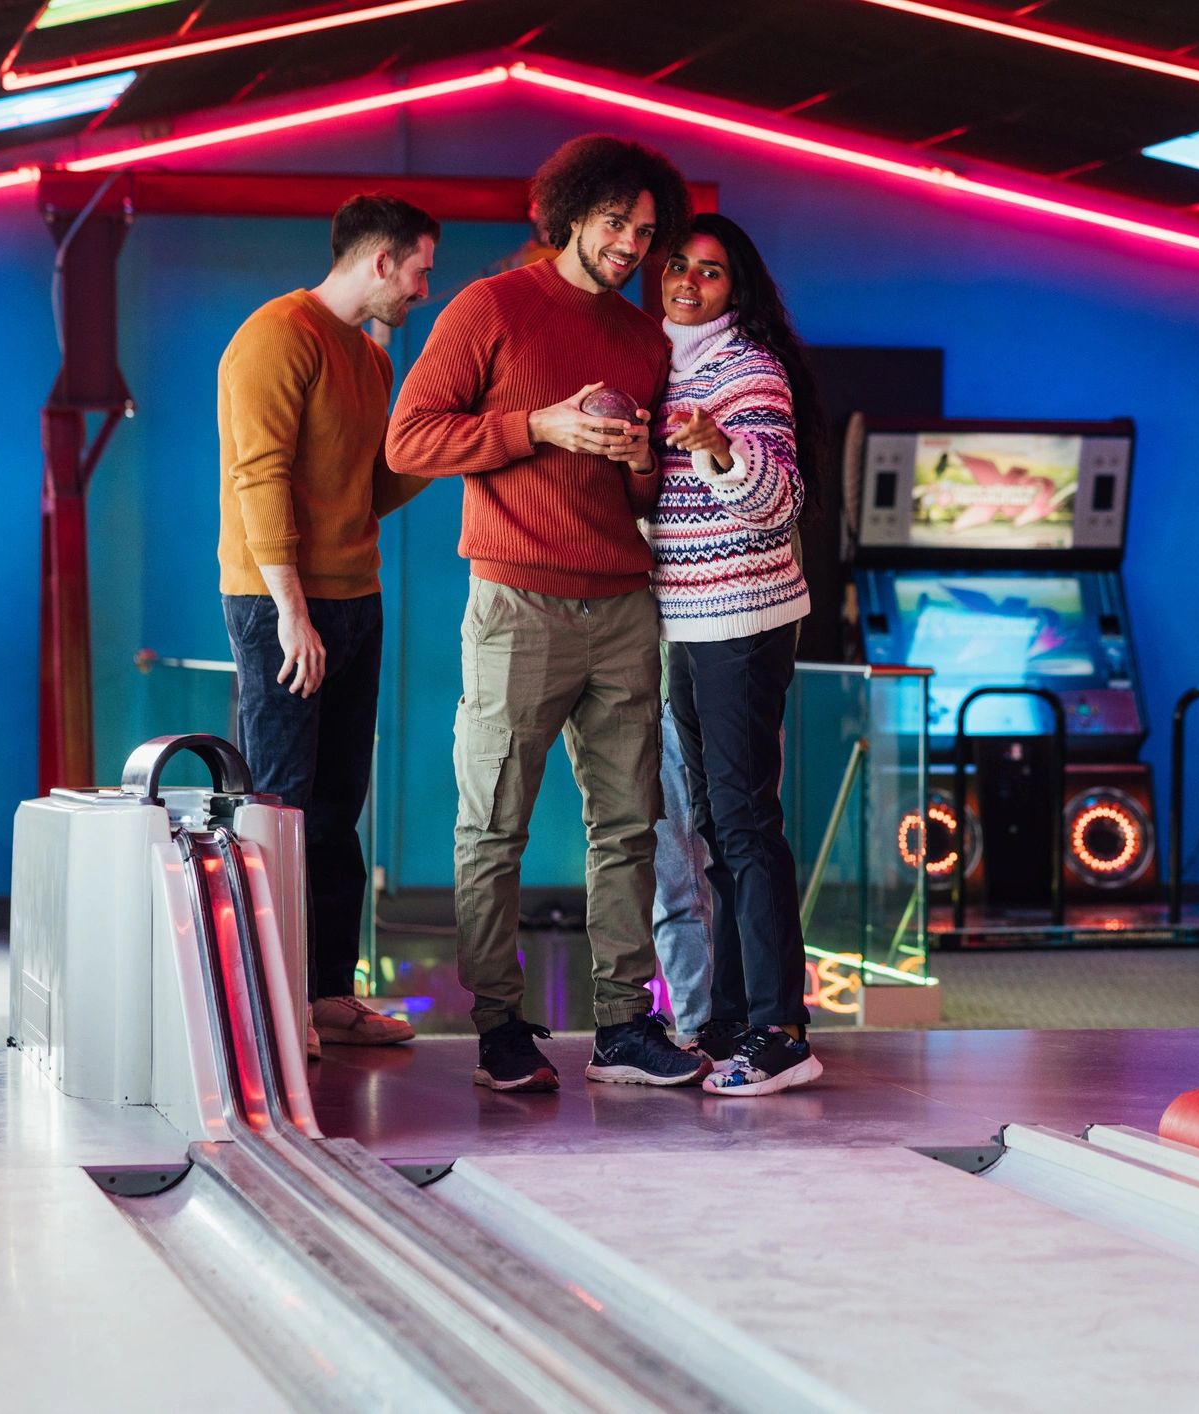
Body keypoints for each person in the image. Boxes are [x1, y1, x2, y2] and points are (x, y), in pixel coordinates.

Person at [386, 134, 702, 1092]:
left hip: (622, 605)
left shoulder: (645, 339)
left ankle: (622, 1027)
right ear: (568, 215)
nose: (631, 247)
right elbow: (410, 440)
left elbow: (643, 496)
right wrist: (541, 426)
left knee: (628, 829)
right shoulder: (492, 306)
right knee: (494, 823)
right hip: (516, 599)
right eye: (616, 224)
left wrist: (639, 458)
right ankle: (497, 1029)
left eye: (646, 233)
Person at [217, 193, 439, 1056]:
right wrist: (291, 613)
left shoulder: (370, 358)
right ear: (380, 262)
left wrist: (443, 452)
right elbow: (258, 477)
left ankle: (327, 995)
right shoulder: (277, 335)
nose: (425, 288)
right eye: (420, 269)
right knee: (277, 805)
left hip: (355, 599)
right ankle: (271, 1006)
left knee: (339, 807)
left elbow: (373, 489)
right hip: (282, 601)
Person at [652, 213, 822, 1096]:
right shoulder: (660, 362)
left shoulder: (748, 368)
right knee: (716, 828)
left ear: (736, 288)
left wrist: (719, 448)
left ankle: (781, 1028)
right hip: (683, 620)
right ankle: (726, 1016)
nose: (688, 281)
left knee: (747, 824)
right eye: (677, 264)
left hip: (744, 618)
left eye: (710, 272)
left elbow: (779, 500)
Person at [653, 673, 716, 1042]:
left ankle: (754, 1027)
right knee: (675, 885)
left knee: (750, 874)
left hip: (741, 697)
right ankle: (697, 1030)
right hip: (663, 705)